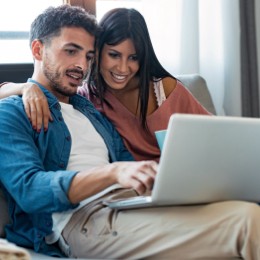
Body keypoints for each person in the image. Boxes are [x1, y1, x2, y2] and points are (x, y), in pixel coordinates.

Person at [1, 4, 260, 260]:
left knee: (246, 210)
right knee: (245, 221)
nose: (81, 65)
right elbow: (30, 190)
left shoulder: (89, 108)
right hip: (83, 218)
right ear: (37, 49)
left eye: (89, 56)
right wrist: (25, 87)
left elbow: (126, 162)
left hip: (131, 203)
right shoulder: (13, 111)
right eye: (71, 51)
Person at [0, 8, 210, 162]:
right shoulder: (85, 98)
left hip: (180, 180)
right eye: (114, 55)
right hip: (136, 188)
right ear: (98, 51)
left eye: (133, 58)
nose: (123, 68)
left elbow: (217, 134)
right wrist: (24, 87)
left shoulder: (165, 89)